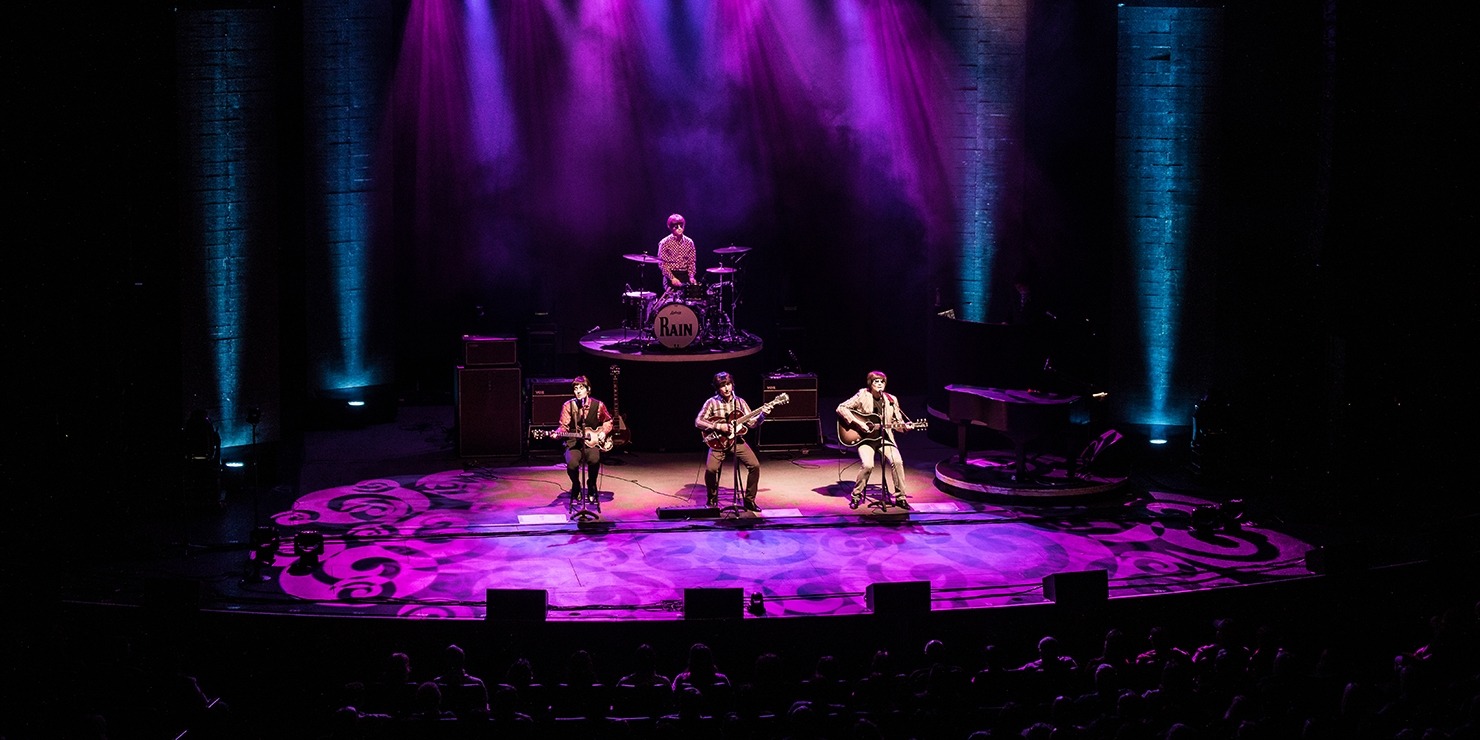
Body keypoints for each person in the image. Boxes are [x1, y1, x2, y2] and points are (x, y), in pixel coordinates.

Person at [835, 371, 913, 510]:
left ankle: (901, 497)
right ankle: (856, 495)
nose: (879, 384)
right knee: (868, 465)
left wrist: (906, 427)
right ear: (870, 383)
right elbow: (841, 408)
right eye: (876, 381)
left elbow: (897, 423)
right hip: (866, 440)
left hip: (885, 438)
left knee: (897, 461)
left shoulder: (891, 400)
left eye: (882, 381)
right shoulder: (862, 395)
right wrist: (859, 423)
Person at [694, 371, 764, 511]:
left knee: (754, 466)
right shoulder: (711, 402)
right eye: (722, 385)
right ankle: (712, 499)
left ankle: (749, 501)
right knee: (711, 470)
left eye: (728, 384)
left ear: (733, 385)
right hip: (718, 442)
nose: (726, 388)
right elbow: (698, 421)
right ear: (717, 388)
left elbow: (751, 424)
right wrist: (719, 426)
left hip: (736, 441)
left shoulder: (740, 402)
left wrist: (762, 415)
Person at [557, 376, 614, 509]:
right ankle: (576, 486)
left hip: (592, 441)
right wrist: (557, 433)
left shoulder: (598, 405)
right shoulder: (568, 405)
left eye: (581, 388)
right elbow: (563, 426)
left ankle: (591, 484)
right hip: (574, 441)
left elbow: (608, 420)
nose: (578, 391)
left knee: (594, 460)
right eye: (575, 388)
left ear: (588, 390)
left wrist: (603, 432)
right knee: (572, 464)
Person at [657, 213, 698, 290]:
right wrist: (672, 278)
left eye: (681, 226)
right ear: (670, 227)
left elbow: (691, 261)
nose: (679, 228)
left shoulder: (689, 242)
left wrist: (691, 276)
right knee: (673, 300)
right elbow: (662, 263)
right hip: (671, 275)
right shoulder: (664, 242)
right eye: (676, 226)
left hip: (685, 274)